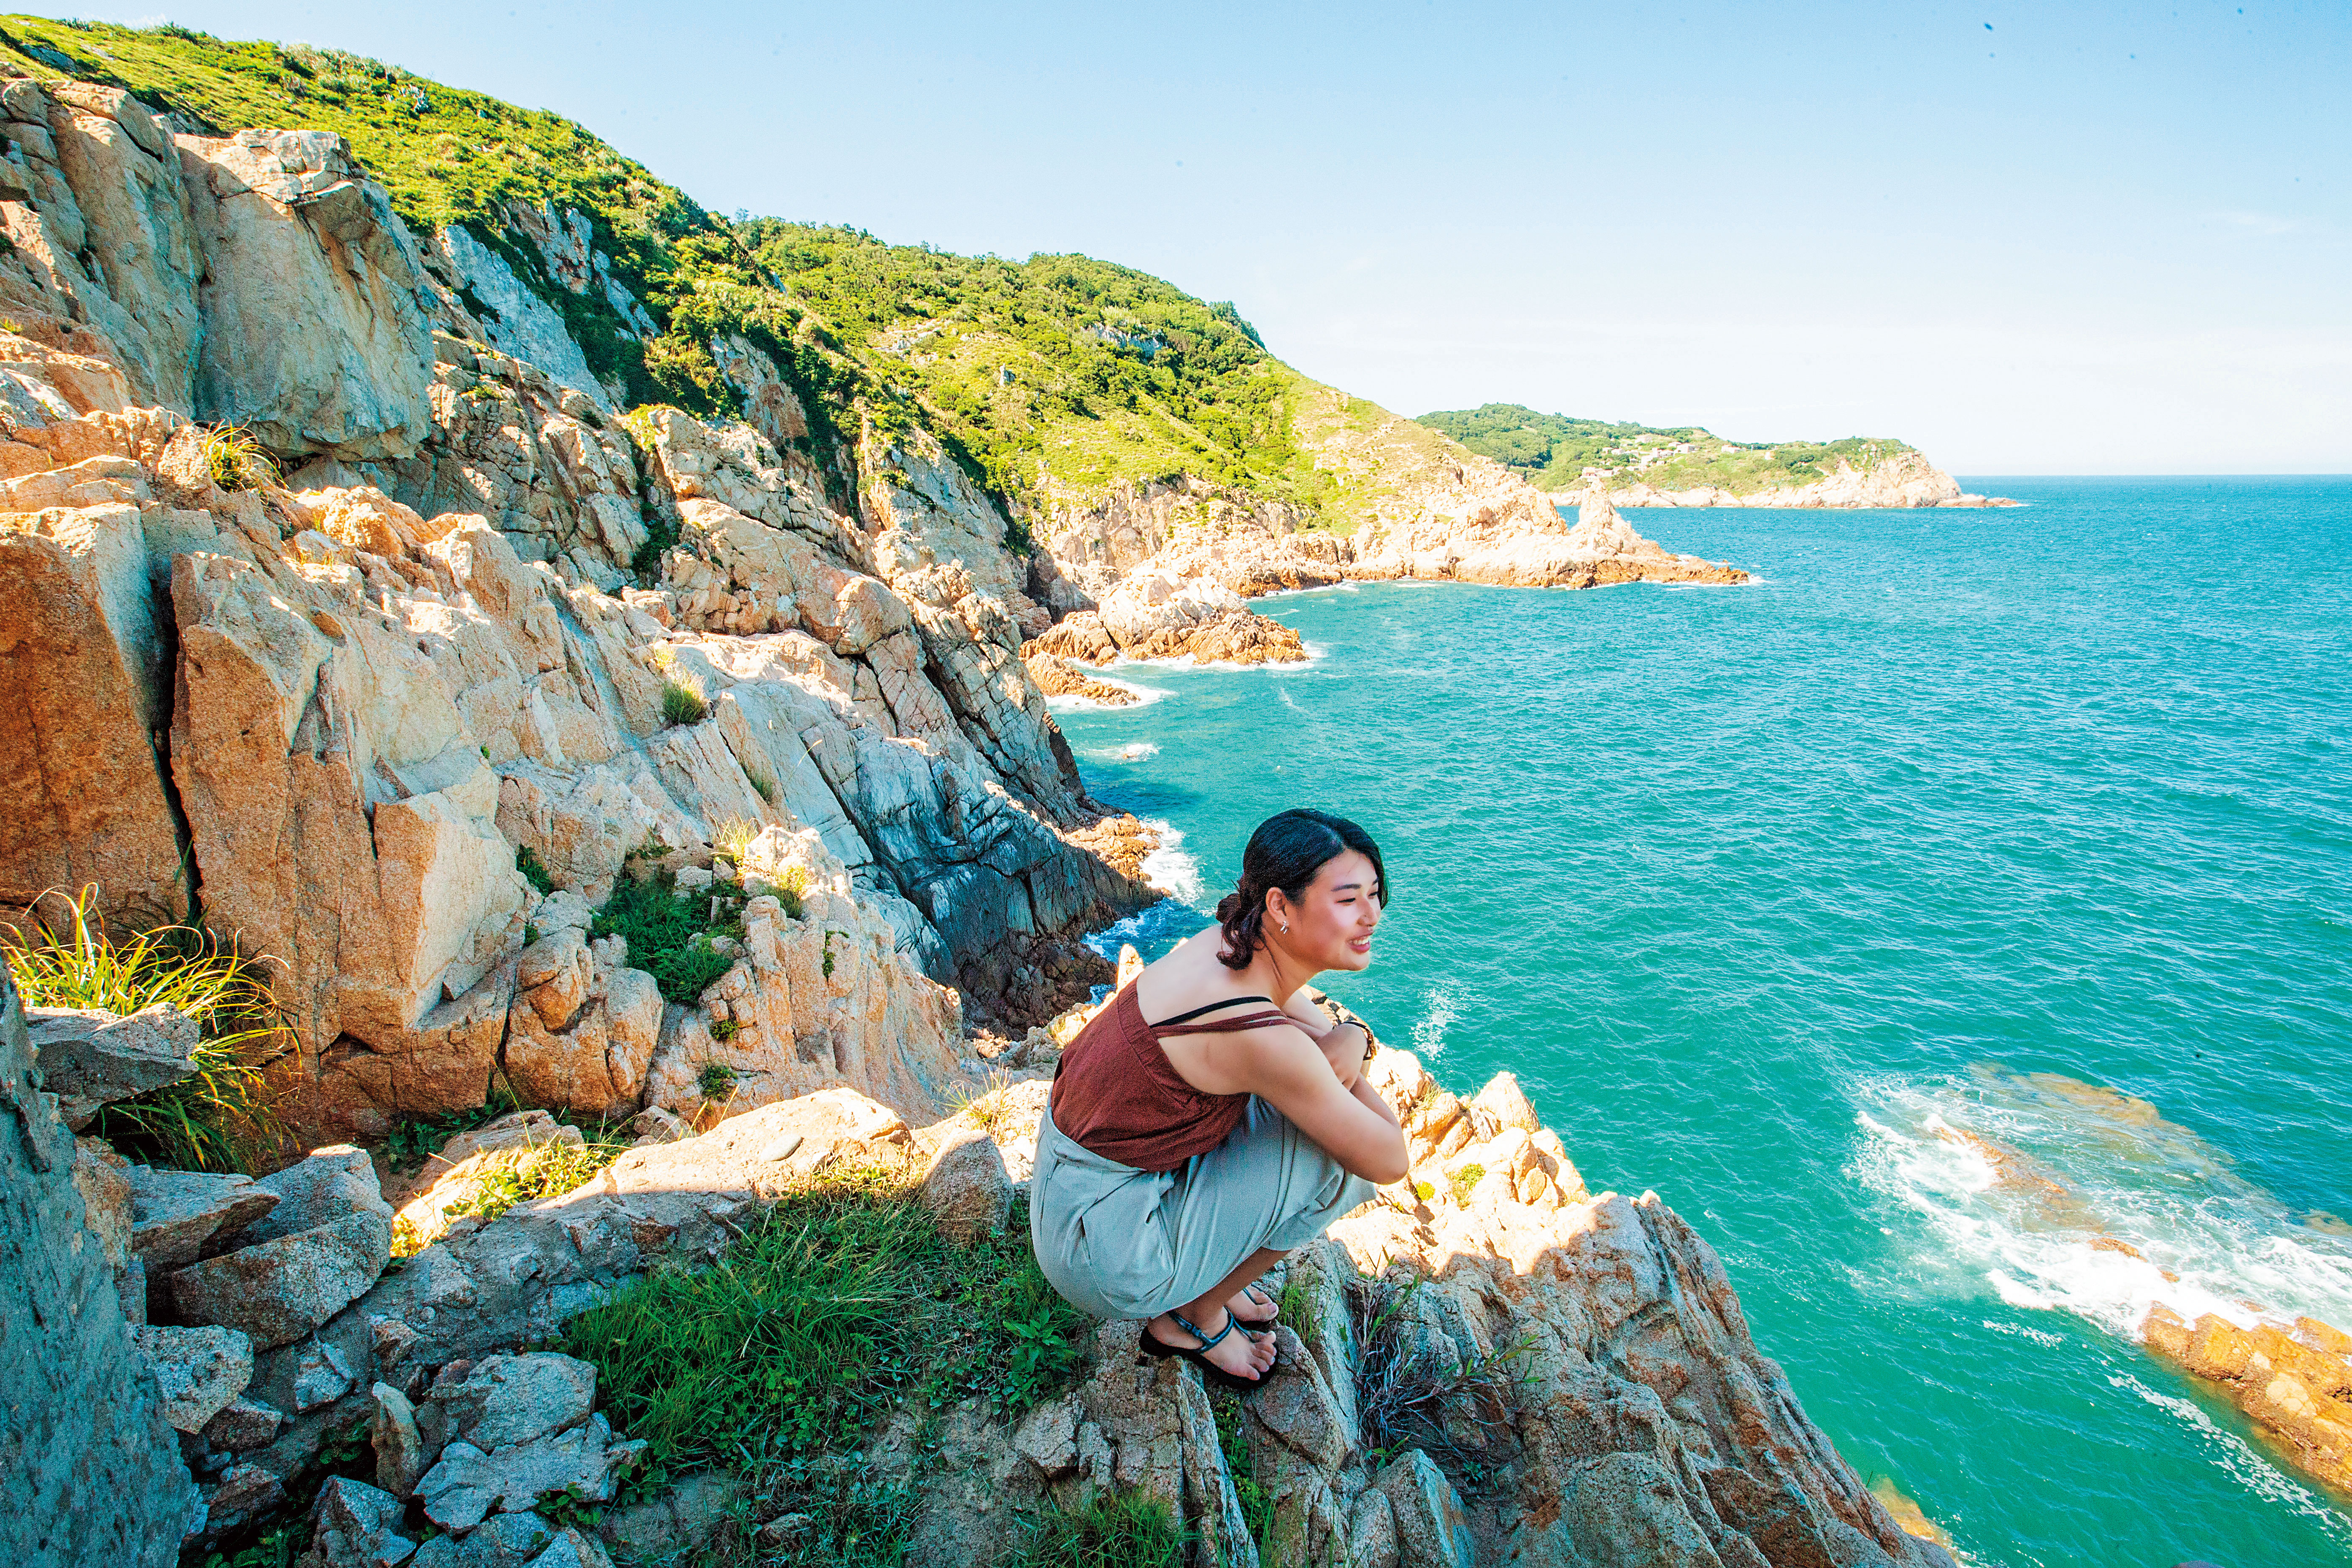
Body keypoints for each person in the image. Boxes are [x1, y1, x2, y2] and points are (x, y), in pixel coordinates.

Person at [1030, 808, 1410, 1391]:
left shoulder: (1228, 943)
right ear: (1280, 906)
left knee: (1314, 1112)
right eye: (1348, 899)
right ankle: (1192, 1316)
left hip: (1073, 1187)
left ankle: (1202, 1282)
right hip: (1100, 1249)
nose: (1372, 915)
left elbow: (1322, 1038)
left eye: (1375, 894)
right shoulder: (1257, 1034)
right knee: (1338, 1160)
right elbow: (1388, 1159)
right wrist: (1353, 1046)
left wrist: (1352, 1040)